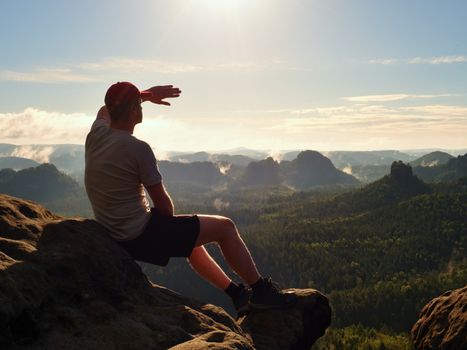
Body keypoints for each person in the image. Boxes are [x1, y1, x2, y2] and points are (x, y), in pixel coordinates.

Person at [84, 81, 296, 318]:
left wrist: (144, 95)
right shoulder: (138, 149)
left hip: (112, 231)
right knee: (225, 227)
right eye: (138, 105)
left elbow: (103, 110)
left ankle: (237, 294)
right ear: (135, 110)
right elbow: (165, 208)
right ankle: (261, 292)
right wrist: (145, 95)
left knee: (191, 240)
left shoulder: (96, 135)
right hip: (136, 235)